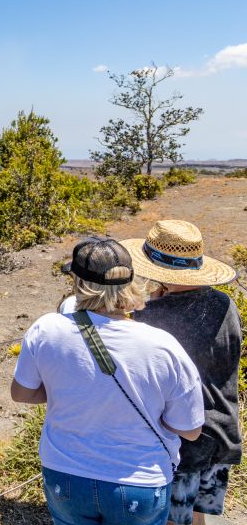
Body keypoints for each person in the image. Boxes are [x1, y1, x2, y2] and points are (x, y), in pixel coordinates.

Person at [12, 237, 205, 525]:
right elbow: (190, 430)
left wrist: (69, 391)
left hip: (66, 474)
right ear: (131, 282)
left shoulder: (47, 329)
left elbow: (22, 394)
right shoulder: (163, 345)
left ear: (78, 282)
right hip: (139, 481)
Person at [123, 220, 241, 525]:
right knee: (197, 516)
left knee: (173, 520)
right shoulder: (224, 304)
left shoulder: (149, 316)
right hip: (222, 432)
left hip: (183, 438)